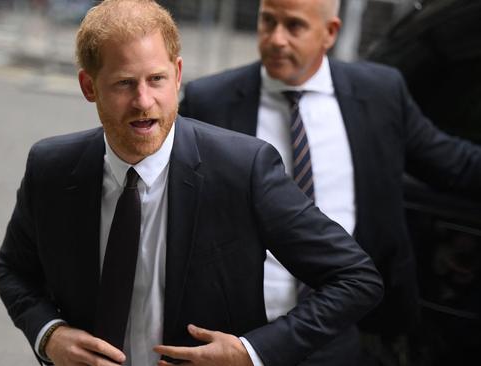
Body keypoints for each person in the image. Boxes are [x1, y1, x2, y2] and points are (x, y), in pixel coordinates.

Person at [0, 1, 383, 365]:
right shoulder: (51, 167)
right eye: (124, 84)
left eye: (157, 79)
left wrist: (252, 352)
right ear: (88, 86)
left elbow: (355, 278)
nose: (144, 101)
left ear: (178, 75)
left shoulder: (242, 169)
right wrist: (49, 336)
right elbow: (13, 271)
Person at [178, 0, 481, 364]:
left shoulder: (379, 94)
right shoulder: (210, 102)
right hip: (237, 336)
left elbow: (456, 164)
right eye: (267, 21)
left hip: (342, 332)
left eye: (294, 26)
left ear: (331, 33)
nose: (275, 39)